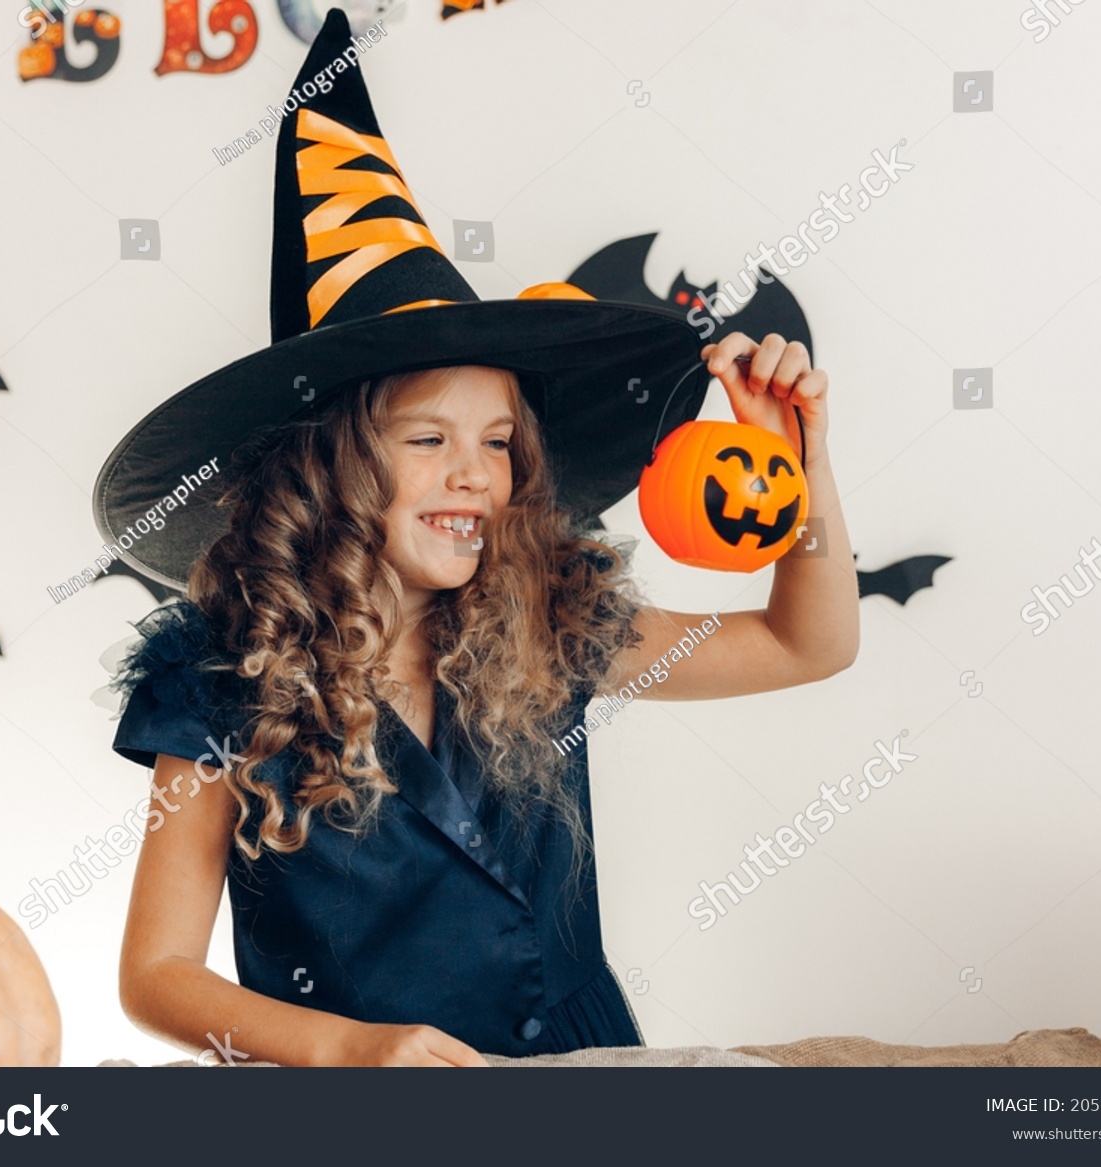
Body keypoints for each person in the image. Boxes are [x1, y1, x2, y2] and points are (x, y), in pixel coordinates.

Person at [96, 9, 858, 1067]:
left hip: (574, 1082)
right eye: (429, 438)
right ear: (327, 462)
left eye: (498, 442)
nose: (474, 474)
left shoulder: (549, 623)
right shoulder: (218, 680)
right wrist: (351, 1052)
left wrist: (802, 466)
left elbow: (806, 644)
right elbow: (157, 975)